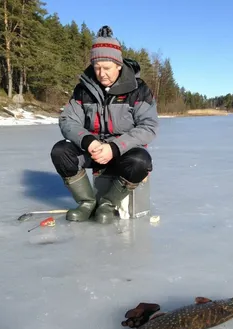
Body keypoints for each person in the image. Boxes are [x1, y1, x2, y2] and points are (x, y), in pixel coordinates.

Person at [50, 25, 158, 224]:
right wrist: (89, 141)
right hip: (92, 149)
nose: (101, 73)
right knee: (60, 151)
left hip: (122, 151)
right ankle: (86, 203)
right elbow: (67, 120)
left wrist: (115, 147)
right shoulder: (83, 89)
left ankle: (107, 204)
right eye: (97, 67)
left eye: (107, 68)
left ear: (118, 65)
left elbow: (148, 127)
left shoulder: (138, 89)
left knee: (140, 162)